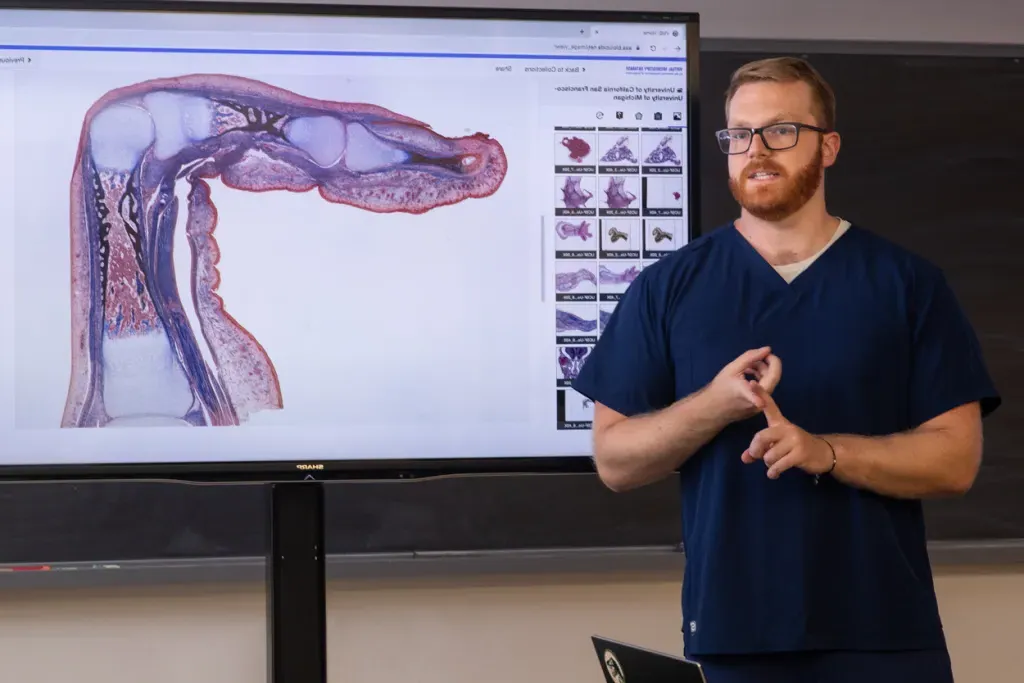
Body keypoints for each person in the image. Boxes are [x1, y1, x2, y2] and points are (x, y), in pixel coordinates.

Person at [570, 56, 1002, 683]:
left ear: (827, 147)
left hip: (883, 633)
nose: (756, 151)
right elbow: (615, 461)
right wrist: (716, 404)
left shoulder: (906, 285)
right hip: (736, 635)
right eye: (739, 135)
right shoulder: (668, 287)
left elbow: (954, 460)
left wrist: (825, 451)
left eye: (780, 131)